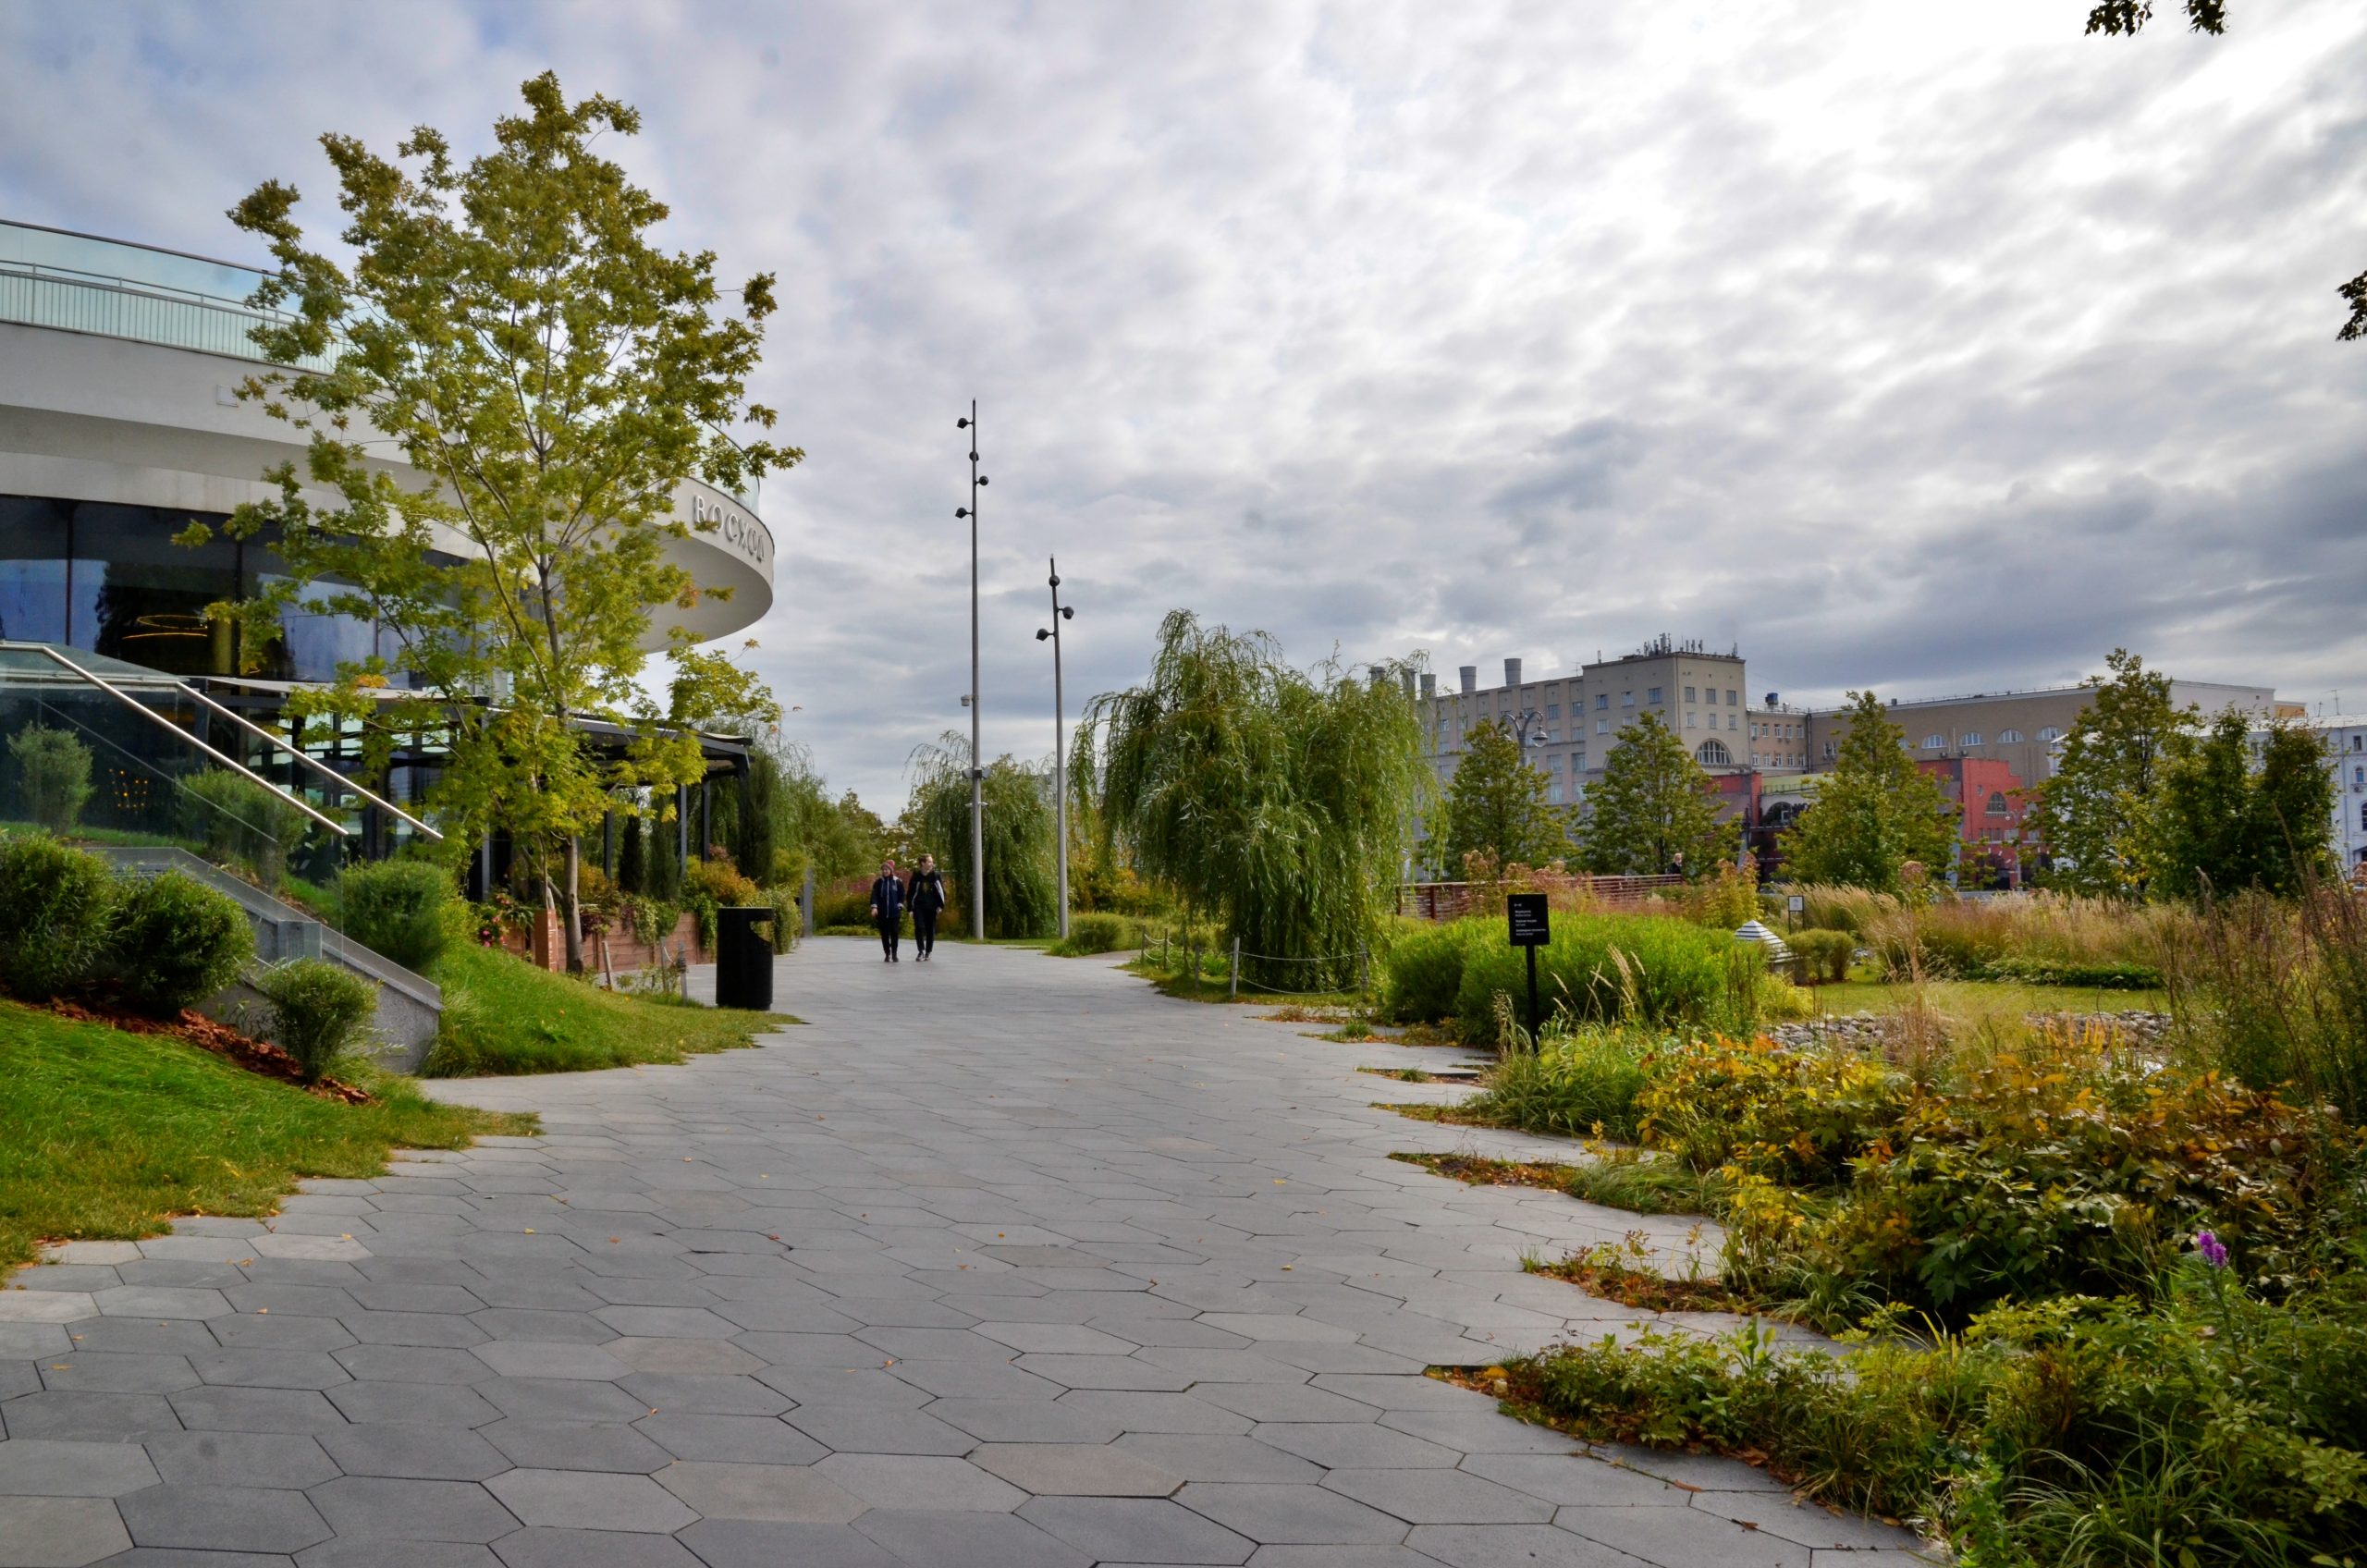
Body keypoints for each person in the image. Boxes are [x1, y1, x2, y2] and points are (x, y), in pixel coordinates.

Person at [905, 853, 949, 961]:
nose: (932, 864)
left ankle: (928, 951)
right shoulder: (916, 875)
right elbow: (910, 893)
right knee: (919, 927)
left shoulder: (935, 875)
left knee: (930, 929)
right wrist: (910, 908)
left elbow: (941, 891)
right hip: (919, 906)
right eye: (929, 862)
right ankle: (921, 951)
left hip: (931, 906)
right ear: (922, 863)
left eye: (932, 862)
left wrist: (940, 905)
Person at [868, 857, 906, 962]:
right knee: (884, 934)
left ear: (891, 870)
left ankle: (894, 953)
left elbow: (902, 895)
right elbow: (874, 896)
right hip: (882, 913)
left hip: (894, 913)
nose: (885, 871)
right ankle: (887, 953)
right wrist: (874, 907)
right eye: (883, 869)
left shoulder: (897, 882)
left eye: (887, 869)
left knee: (894, 932)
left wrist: (899, 905)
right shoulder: (879, 882)